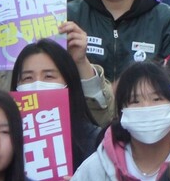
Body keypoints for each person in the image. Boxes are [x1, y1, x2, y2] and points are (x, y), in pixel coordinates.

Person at [10, 39, 102, 171]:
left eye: (48, 76)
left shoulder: (94, 140)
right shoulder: (6, 138)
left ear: (68, 81)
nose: (37, 84)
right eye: (28, 78)